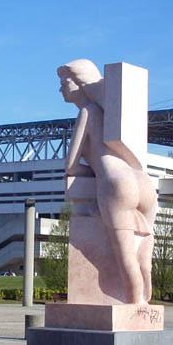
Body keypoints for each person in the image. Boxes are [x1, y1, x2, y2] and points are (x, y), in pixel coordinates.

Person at [57, 59, 157, 305]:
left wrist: (93, 173)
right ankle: (145, 303)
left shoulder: (88, 112)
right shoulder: (112, 115)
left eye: (65, 83)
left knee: (125, 256)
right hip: (143, 182)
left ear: (81, 83)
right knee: (142, 251)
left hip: (115, 183)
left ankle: (136, 306)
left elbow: (70, 165)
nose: (60, 89)